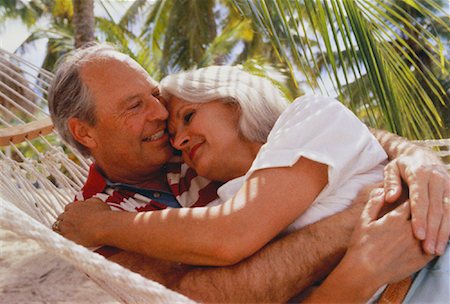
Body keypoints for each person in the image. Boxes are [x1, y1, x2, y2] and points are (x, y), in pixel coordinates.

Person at [50, 44, 449, 302]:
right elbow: (206, 293)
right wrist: (354, 226)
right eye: (134, 106)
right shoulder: (86, 227)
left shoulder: (188, 155)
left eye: (156, 97)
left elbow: (337, 133)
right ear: (84, 132)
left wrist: (416, 158)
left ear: (234, 102)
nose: (161, 116)